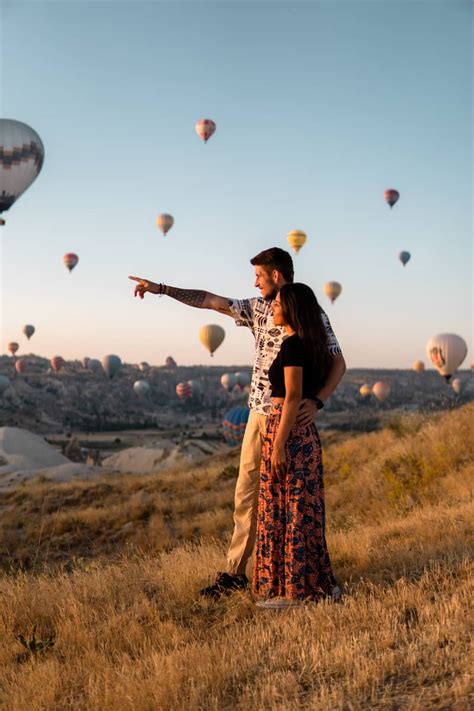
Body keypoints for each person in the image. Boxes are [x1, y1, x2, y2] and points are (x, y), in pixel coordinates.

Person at [129, 247, 346, 597]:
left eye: (259, 276)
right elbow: (210, 301)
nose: (254, 283)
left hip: (288, 416)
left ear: (276, 275)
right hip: (259, 414)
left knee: (292, 501)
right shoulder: (259, 309)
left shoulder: (310, 313)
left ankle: (297, 576)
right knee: (247, 494)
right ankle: (238, 573)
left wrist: (318, 401)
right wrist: (162, 289)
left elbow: (338, 362)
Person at [254, 283, 339, 607]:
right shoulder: (312, 343)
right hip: (304, 434)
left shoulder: (292, 346)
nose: (272, 309)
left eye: (277, 305)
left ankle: (291, 590)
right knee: (302, 510)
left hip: (287, 430)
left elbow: (290, 397)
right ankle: (314, 584)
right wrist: (318, 400)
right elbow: (337, 367)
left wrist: (278, 445)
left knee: (284, 509)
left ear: (291, 309)